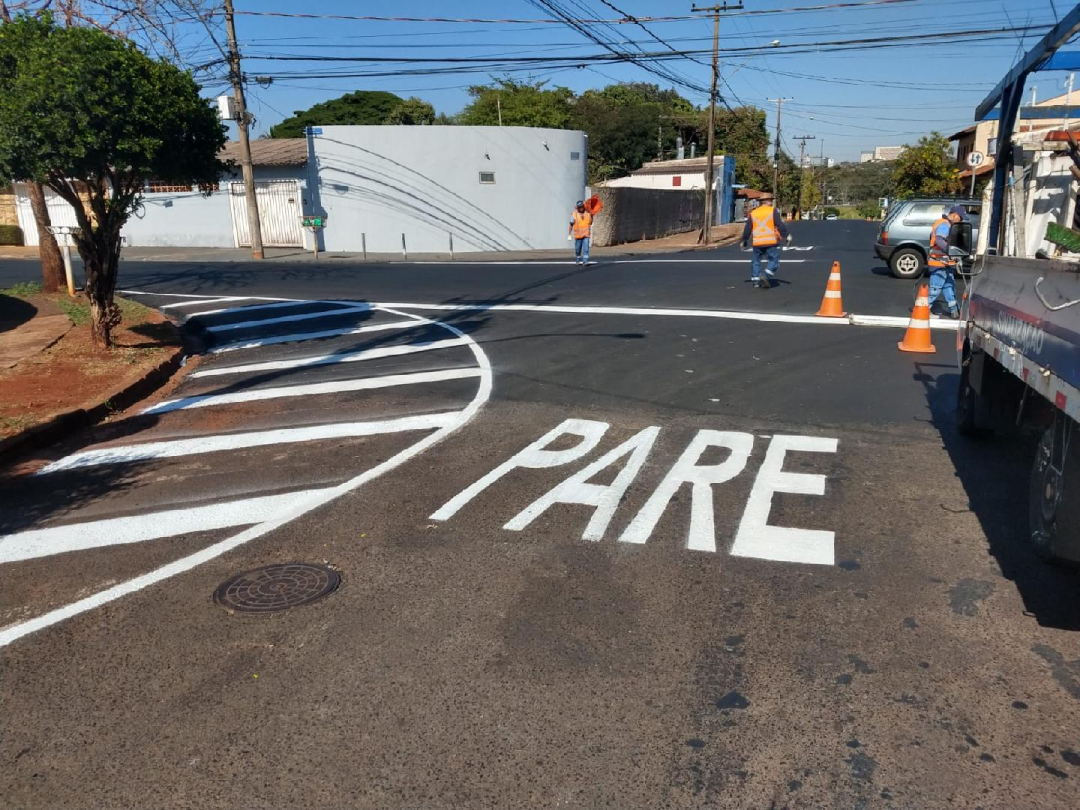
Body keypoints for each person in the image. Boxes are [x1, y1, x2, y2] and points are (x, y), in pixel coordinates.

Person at [741, 193, 792, 288]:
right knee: (774, 260)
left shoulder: (754, 213)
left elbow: (748, 228)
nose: (772, 202)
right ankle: (766, 276)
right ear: (768, 201)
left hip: (757, 242)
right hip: (770, 241)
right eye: (771, 200)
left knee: (756, 261)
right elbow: (779, 224)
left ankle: (756, 282)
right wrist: (787, 235)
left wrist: (744, 240)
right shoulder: (772, 211)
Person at [927, 205, 965, 320]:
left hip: (946, 263)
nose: (961, 221)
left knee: (949, 286)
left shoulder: (947, 224)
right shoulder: (944, 225)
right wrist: (949, 251)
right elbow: (939, 240)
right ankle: (924, 311)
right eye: (960, 218)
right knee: (935, 288)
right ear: (954, 215)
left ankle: (954, 311)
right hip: (939, 263)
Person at [569, 200, 594, 266]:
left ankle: (585, 261)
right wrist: (569, 234)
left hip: (586, 235)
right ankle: (578, 259)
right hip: (578, 236)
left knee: (586, 248)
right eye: (579, 207)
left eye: (582, 207)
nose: (581, 208)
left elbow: (590, 223)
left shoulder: (588, 214)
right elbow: (571, 224)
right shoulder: (574, 214)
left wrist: (592, 215)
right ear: (577, 207)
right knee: (578, 249)